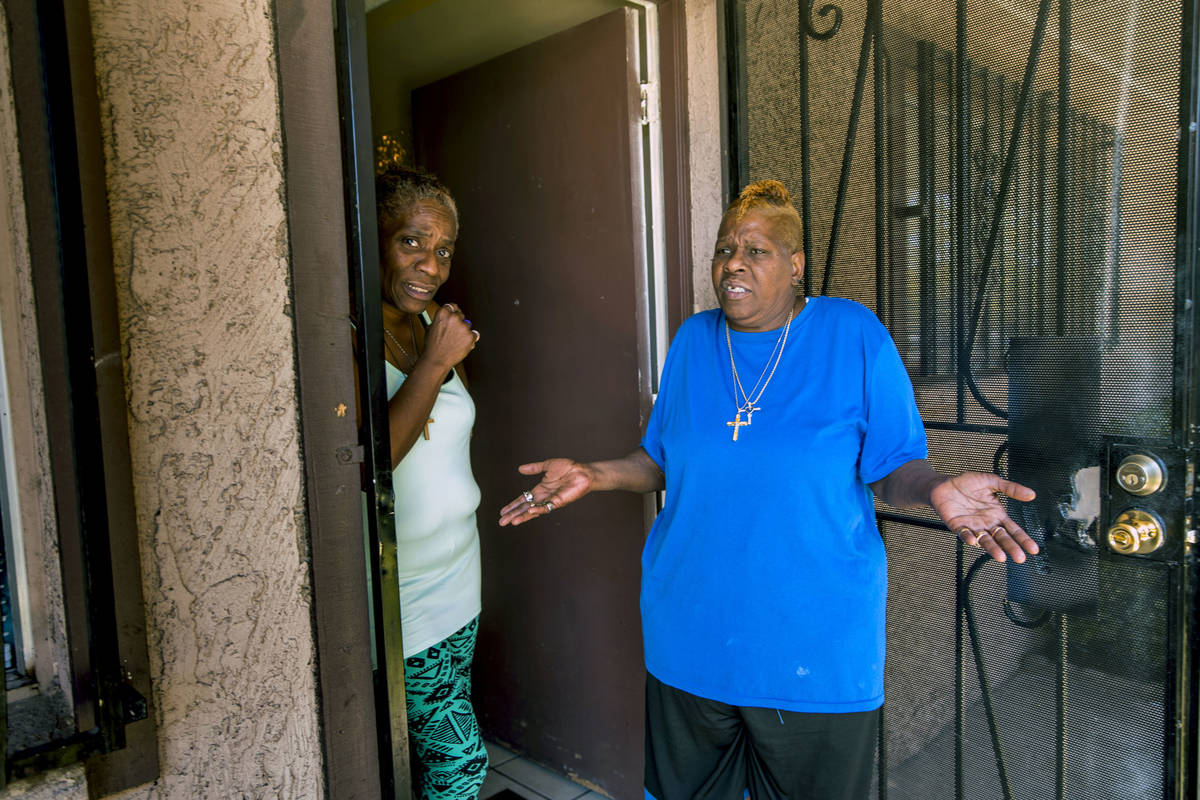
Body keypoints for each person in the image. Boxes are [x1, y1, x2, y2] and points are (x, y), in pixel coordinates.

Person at [498, 179, 1038, 800]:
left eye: (756, 250)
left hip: (812, 640)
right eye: (725, 248)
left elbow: (890, 464)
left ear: (795, 265)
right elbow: (662, 460)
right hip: (689, 629)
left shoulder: (850, 334)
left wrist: (939, 486)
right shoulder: (694, 341)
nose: (733, 261)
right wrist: (597, 474)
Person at [374, 165, 486, 799]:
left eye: (443, 250)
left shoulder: (427, 326)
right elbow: (377, 458)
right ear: (377, 238)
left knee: (429, 753)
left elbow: (443, 437)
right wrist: (439, 361)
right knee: (460, 759)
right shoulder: (352, 336)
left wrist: (437, 348)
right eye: (411, 241)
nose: (431, 265)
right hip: (401, 586)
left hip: (459, 575)